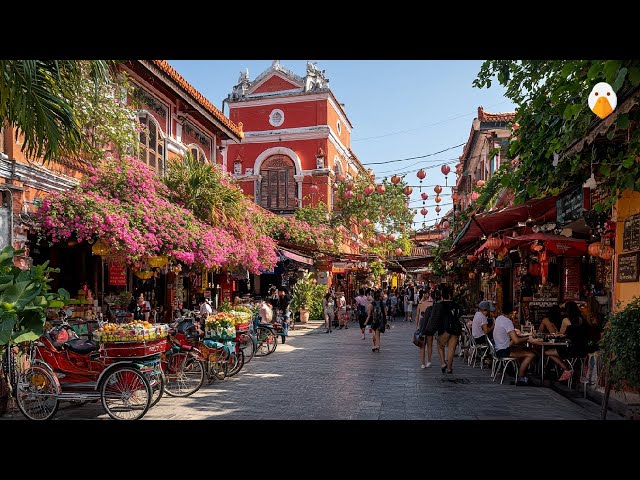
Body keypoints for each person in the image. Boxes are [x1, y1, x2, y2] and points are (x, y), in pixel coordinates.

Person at [533, 301, 589, 382]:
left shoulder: (566, 320)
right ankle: (566, 369)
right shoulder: (583, 319)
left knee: (546, 352)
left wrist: (556, 333)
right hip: (583, 348)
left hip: (570, 348)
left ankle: (566, 369)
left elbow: (560, 334)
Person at [492, 309, 537, 386]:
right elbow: (516, 341)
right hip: (504, 351)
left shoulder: (499, 319)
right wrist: (528, 337)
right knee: (531, 354)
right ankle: (521, 378)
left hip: (498, 349)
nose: (515, 315)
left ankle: (518, 373)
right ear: (511, 313)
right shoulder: (508, 321)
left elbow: (511, 339)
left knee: (521, 349)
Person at [436, 288, 462, 374]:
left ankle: (443, 363)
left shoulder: (439, 305)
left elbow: (436, 318)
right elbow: (460, 313)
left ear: (442, 296)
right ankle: (450, 368)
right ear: (451, 295)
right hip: (455, 329)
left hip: (444, 329)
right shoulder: (456, 305)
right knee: (451, 349)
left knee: (440, 346)